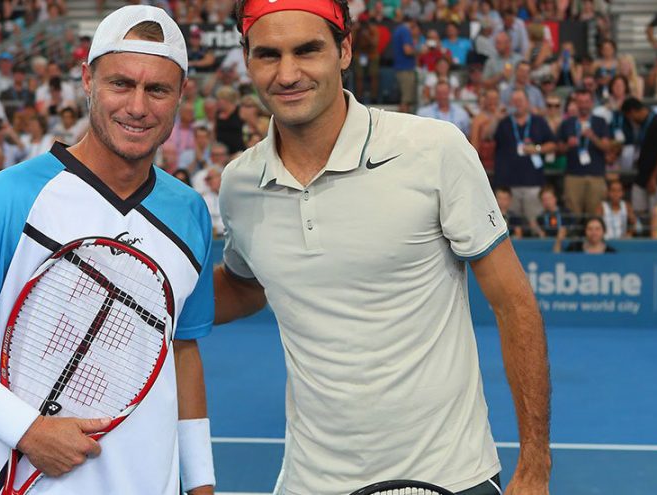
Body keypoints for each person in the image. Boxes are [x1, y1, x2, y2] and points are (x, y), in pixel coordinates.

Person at [217, 2, 551, 494]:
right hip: (309, 482)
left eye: (307, 50)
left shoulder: (434, 150)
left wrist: (535, 464)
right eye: (268, 55)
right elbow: (246, 288)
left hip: (449, 475)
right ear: (247, 59)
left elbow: (514, 304)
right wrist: (153, 305)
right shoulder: (239, 184)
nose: (287, 73)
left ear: (345, 50)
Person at [0, 6, 216, 495]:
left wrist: (202, 484)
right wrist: (28, 431)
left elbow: (181, 349)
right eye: (120, 84)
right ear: (87, 80)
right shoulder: (8, 196)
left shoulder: (191, 212)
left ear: (181, 95)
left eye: (158, 89)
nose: (138, 106)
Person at [494, 89, 557, 221]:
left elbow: (553, 144)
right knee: (510, 225)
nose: (517, 104)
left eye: (520, 101)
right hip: (508, 184)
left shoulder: (538, 121)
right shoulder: (503, 122)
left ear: (528, 102)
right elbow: (487, 136)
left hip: (532, 182)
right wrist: (495, 118)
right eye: (514, 101)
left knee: (533, 222)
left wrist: (537, 149)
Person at [556, 89, 611, 216]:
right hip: (573, 176)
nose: (584, 105)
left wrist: (593, 137)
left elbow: (607, 147)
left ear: (591, 103)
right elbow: (558, 150)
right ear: (576, 103)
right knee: (573, 215)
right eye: (580, 102)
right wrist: (567, 145)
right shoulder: (567, 123)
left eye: (586, 102)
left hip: (596, 175)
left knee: (595, 216)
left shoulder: (600, 122)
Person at [622, 97, 657, 213]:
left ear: (632, 112)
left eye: (629, 117)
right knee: (638, 211)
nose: (631, 120)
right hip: (642, 176)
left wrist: (654, 177)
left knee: (656, 213)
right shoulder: (642, 124)